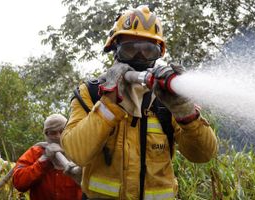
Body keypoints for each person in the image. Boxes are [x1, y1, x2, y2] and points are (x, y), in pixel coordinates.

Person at [61, 5, 218, 199]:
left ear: (159, 53)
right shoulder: (91, 93)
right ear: (115, 49)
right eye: (130, 49)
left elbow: (203, 155)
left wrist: (184, 110)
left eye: (147, 50)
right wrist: (108, 103)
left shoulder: (165, 99)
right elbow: (77, 152)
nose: (139, 56)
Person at [13, 114, 82, 200]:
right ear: (46, 134)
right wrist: (43, 160)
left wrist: (81, 177)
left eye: (62, 131)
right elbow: (19, 183)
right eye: (53, 133)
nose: (58, 136)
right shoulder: (35, 152)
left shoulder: (80, 152)